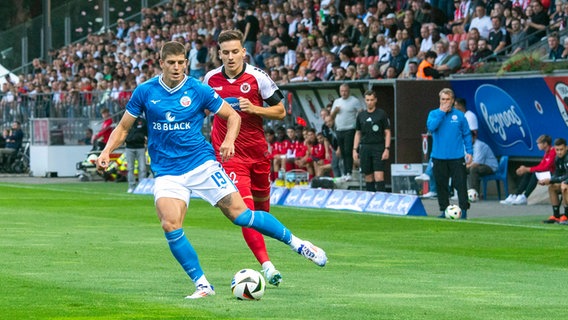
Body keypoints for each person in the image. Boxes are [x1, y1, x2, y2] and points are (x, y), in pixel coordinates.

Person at [96, 41, 326, 300]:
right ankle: (203, 285)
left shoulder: (198, 89)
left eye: (181, 62)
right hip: (167, 172)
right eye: (171, 63)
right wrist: (106, 151)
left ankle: (299, 244)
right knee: (170, 224)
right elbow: (124, 128)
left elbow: (233, 116)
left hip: (202, 165)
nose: (177, 67)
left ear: (186, 63)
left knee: (241, 215)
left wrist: (228, 141)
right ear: (161, 63)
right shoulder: (145, 91)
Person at [204, 30, 287, 286]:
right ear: (219, 54)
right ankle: (267, 266)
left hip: (258, 155)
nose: (230, 57)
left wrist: (255, 108)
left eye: (234, 52)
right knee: (245, 211)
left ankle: (267, 254)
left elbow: (281, 111)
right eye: (225, 52)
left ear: (243, 52)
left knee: (262, 214)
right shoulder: (210, 79)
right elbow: (200, 110)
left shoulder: (258, 77)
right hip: (229, 155)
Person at [427, 88, 473, 219]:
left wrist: (469, 151)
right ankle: (444, 210)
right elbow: (431, 127)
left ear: (452, 101)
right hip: (438, 156)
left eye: (447, 99)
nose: (445, 102)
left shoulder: (459, 116)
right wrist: (442, 113)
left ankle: (463, 210)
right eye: (443, 99)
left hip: (457, 157)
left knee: (460, 184)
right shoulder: (434, 114)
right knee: (441, 185)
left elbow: (466, 134)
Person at [353, 90, 392, 192]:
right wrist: (355, 149)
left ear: (375, 100)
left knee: (379, 176)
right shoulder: (361, 115)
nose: (369, 102)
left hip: (378, 146)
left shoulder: (381, 114)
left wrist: (387, 149)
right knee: (368, 176)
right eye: (367, 100)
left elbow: (387, 132)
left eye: (371, 100)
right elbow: (358, 133)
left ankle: (381, 199)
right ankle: (370, 200)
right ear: (365, 101)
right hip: (365, 147)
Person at [501, 134, 556, 205]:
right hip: (547, 173)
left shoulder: (553, 151)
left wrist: (527, 169)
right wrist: (528, 170)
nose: (537, 145)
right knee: (529, 172)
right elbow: (541, 166)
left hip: (553, 174)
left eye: (539, 143)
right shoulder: (546, 153)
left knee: (535, 173)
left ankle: (525, 196)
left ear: (545, 144)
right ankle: (516, 195)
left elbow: (545, 167)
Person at [330, 83, 363, 181]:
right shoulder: (337, 101)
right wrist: (335, 111)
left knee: (348, 151)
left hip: (350, 129)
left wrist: (357, 123)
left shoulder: (354, 101)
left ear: (349, 91)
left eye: (345, 91)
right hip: (339, 129)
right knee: (343, 152)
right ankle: (345, 172)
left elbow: (360, 112)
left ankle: (349, 172)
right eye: (342, 91)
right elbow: (331, 116)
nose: (343, 93)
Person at [540, 138, 568, 223]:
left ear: (566, 148)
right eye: (557, 150)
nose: (559, 152)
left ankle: (566, 215)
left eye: (561, 149)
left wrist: (552, 180)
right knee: (552, 187)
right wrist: (547, 180)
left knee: (565, 186)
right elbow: (557, 174)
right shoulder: (557, 159)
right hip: (565, 181)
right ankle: (556, 216)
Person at [124, 116, 148, 193]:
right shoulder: (126, 120)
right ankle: (131, 186)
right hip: (129, 147)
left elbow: (147, 132)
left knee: (142, 168)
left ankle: (141, 186)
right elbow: (123, 131)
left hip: (140, 146)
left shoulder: (142, 121)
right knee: (130, 168)